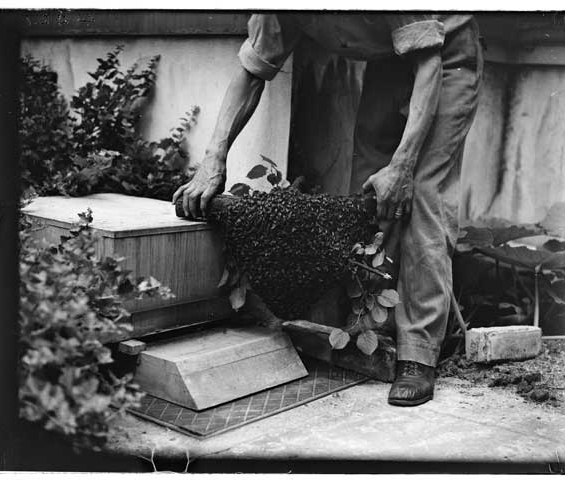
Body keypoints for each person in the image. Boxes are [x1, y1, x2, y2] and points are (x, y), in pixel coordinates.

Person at [172, 13, 483, 406]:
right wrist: (214, 156)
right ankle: (372, 329)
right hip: (388, 59)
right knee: (370, 188)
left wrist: (403, 166)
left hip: (445, 58)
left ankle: (418, 354)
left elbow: (428, 63)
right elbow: (253, 70)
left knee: (419, 190)